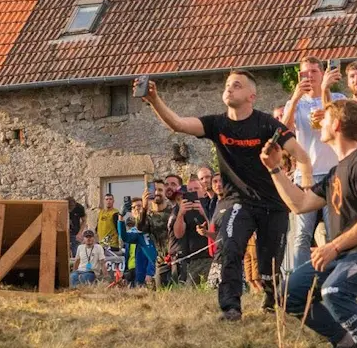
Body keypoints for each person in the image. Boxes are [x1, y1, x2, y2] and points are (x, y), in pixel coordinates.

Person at [142, 71, 306, 320]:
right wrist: (154, 99)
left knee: (267, 268)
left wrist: (310, 178)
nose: (229, 89)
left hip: (273, 203)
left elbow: (299, 152)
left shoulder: (267, 124)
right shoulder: (217, 124)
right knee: (229, 247)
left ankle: (272, 298)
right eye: (227, 85)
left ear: (252, 96)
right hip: (237, 201)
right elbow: (177, 123)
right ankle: (231, 307)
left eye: (236, 85)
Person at [262, 100, 357, 348]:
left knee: (334, 292)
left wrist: (333, 246)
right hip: (341, 254)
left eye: (323, 120)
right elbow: (300, 204)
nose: (319, 124)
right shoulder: (336, 171)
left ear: (335, 125)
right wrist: (275, 169)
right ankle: (346, 342)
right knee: (288, 294)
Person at [280, 57, 344, 276]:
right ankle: (299, 280)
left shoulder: (337, 98)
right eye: (304, 73)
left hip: (332, 172)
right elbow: (283, 130)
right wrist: (296, 96)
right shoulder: (296, 103)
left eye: (313, 72)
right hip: (305, 175)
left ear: (322, 73)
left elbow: (343, 128)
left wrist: (327, 111)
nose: (309, 77)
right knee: (302, 234)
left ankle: (335, 277)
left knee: (334, 231)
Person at [170, 179, 213, 286]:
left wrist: (204, 214)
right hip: (193, 259)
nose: (193, 192)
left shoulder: (211, 204)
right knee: (191, 291)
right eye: (190, 190)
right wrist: (181, 214)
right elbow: (178, 234)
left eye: (196, 189)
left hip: (211, 257)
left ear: (203, 191)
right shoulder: (181, 207)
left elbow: (217, 229)